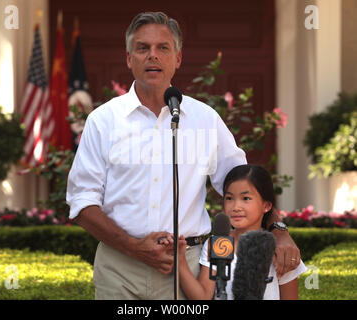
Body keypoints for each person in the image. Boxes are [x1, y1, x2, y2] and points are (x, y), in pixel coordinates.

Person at [66, 11, 300, 300]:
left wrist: (277, 229)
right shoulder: (103, 120)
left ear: (177, 59)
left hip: (187, 268)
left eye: (163, 48)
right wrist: (133, 246)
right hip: (119, 268)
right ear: (129, 59)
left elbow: (245, 184)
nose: (153, 56)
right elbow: (82, 202)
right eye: (142, 48)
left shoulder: (203, 118)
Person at [173, 164, 306, 300]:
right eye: (229, 198)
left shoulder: (281, 250)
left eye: (246, 198)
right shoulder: (217, 244)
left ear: (266, 205)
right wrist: (181, 261)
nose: (236, 207)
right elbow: (202, 297)